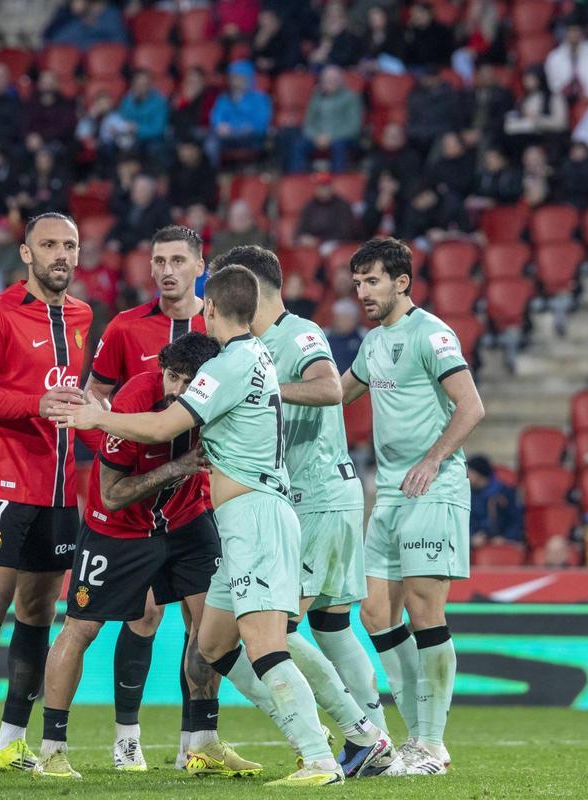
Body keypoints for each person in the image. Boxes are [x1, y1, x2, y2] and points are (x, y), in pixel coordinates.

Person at [59, 265, 345, 786]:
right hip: (241, 521)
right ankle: (276, 733)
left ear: (209, 308)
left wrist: (97, 418)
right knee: (212, 645)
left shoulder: (229, 363)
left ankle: (319, 757)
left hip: (256, 516)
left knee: (266, 646)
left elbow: (165, 425)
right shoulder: (257, 353)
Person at [39, 333, 264, 778]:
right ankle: (52, 750)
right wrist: (175, 468)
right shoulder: (134, 402)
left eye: (188, 382)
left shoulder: (217, 398)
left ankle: (202, 744)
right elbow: (112, 494)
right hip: (117, 528)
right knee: (81, 628)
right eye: (172, 376)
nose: (177, 390)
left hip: (185, 518)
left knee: (212, 625)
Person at [231, 245, 396, 777]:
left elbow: (329, 387)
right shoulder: (253, 343)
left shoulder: (299, 333)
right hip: (320, 496)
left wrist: (264, 392)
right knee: (330, 624)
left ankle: (363, 733)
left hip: (317, 497)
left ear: (251, 288)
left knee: (277, 627)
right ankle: (376, 740)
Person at [0, 212, 93, 775]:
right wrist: (37, 404)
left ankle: (11, 741)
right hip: (3, 483)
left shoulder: (81, 315)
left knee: (37, 615)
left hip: (58, 489)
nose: (61, 254)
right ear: (27, 253)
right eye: (49, 245)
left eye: (70, 245)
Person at [340, 237, 485, 776]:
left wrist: (433, 459)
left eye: (372, 281)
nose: (363, 292)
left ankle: (432, 744)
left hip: (434, 487)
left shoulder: (432, 334)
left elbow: (471, 406)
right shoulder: (373, 342)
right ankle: (416, 734)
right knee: (376, 613)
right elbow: (336, 394)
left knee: (425, 610)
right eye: (358, 283)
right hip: (391, 493)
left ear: (401, 282)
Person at [81, 225, 209, 767]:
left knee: (206, 623)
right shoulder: (125, 327)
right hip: (137, 496)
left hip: (199, 497)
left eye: (177, 259)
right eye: (158, 260)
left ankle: (195, 744)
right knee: (145, 616)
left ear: (200, 265)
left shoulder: (220, 326)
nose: (166, 270)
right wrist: (118, 452)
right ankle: (127, 738)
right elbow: (95, 399)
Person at [287, 65, 363, 174]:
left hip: (341, 137)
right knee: (298, 144)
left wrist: (329, 137)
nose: (330, 82)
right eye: (327, 80)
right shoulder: (316, 96)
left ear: (341, 81)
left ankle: (339, 180)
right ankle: (299, 180)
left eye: (334, 79)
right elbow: (308, 122)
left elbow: (354, 127)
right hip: (317, 137)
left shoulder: (351, 97)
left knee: (338, 145)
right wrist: (317, 137)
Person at [205, 61, 271, 167]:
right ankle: (213, 171)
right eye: (233, 78)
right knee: (210, 141)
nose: (235, 81)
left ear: (248, 78)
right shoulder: (224, 98)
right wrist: (219, 125)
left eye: (239, 77)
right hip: (227, 138)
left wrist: (240, 128)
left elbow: (261, 123)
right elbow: (216, 117)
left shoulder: (260, 98)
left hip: (251, 138)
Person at [544, 16, 588, 102]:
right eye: (570, 31)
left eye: (576, 31)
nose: (573, 34)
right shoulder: (554, 56)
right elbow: (553, 82)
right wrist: (565, 91)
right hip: (565, 100)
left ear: (582, 32)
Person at [105, 174, 172, 253]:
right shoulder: (128, 206)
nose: (135, 192)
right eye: (135, 188)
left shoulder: (161, 208)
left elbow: (167, 232)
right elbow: (116, 228)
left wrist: (152, 242)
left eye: (141, 189)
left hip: (145, 250)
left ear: (150, 192)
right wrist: (111, 240)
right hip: (125, 246)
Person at [467, 455, 522, 547]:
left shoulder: (504, 492)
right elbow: (467, 521)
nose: (466, 476)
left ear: (478, 474)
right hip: (477, 542)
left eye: (469, 472)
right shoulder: (467, 495)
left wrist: (505, 538)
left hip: (503, 541)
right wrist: (471, 538)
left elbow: (516, 519)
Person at [296, 173, 357, 247]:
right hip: (313, 246)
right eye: (319, 186)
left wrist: (320, 240)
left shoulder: (342, 205)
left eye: (325, 186)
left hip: (336, 244)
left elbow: (345, 232)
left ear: (332, 187)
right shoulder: (309, 206)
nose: (322, 189)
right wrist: (303, 238)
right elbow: (300, 230)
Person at [326, 298, 365, 374]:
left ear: (355, 319)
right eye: (339, 318)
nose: (341, 321)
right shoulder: (325, 335)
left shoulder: (364, 336)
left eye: (346, 318)